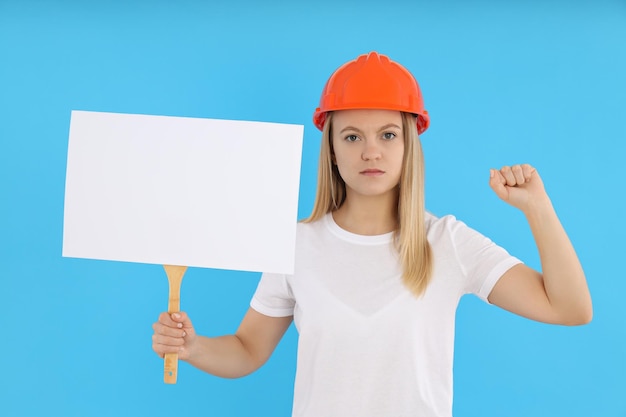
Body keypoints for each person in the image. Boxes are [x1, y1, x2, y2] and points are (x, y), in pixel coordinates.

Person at [152, 51, 592, 417]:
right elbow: (247, 349)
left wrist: (537, 208)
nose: (370, 151)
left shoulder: (447, 242)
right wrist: (194, 347)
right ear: (332, 151)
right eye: (351, 136)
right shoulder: (295, 245)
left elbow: (570, 308)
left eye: (387, 134)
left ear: (408, 145)